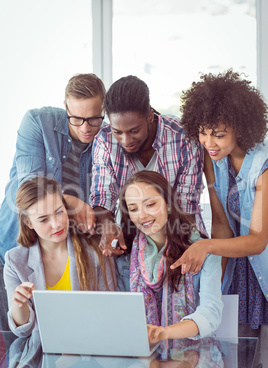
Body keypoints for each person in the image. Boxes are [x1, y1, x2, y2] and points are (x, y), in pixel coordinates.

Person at [175, 69, 268, 368]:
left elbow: (258, 241)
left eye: (218, 135)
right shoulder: (212, 158)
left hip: (262, 266)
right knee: (243, 363)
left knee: (266, 363)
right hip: (240, 271)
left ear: (240, 129)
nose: (208, 143)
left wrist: (207, 248)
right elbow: (221, 223)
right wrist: (212, 290)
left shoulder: (264, 166)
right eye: (202, 132)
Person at [0, 73, 106, 330]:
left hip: (64, 253)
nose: (85, 128)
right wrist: (74, 203)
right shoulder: (37, 122)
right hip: (14, 248)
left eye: (94, 119)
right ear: (65, 106)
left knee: (66, 331)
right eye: (77, 119)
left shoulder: (108, 138)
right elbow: (30, 190)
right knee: (18, 334)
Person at [90, 75, 205, 258]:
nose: (126, 140)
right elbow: (103, 194)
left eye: (134, 131)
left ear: (150, 116)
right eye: (117, 131)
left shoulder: (182, 137)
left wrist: (165, 250)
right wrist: (107, 226)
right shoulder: (104, 140)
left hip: (180, 242)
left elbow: (186, 205)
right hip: (129, 247)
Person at [4, 176, 116, 338]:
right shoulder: (14, 261)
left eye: (59, 212)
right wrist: (19, 305)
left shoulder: (94, 249)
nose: (56, 224)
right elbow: (22, 331)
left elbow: (110, 311)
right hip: (42, 351)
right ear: (27, 222)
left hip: (93, 343)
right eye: (43, 219)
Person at [119, 171, 223, 343]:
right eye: (133, 209)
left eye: (150, 204)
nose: (142, 215)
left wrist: (164, 333)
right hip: (143, 354)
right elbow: (120, 315)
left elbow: (210, 314)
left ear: (168, 204)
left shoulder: (202, 252)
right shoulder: (125, 256)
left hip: (193, 356)